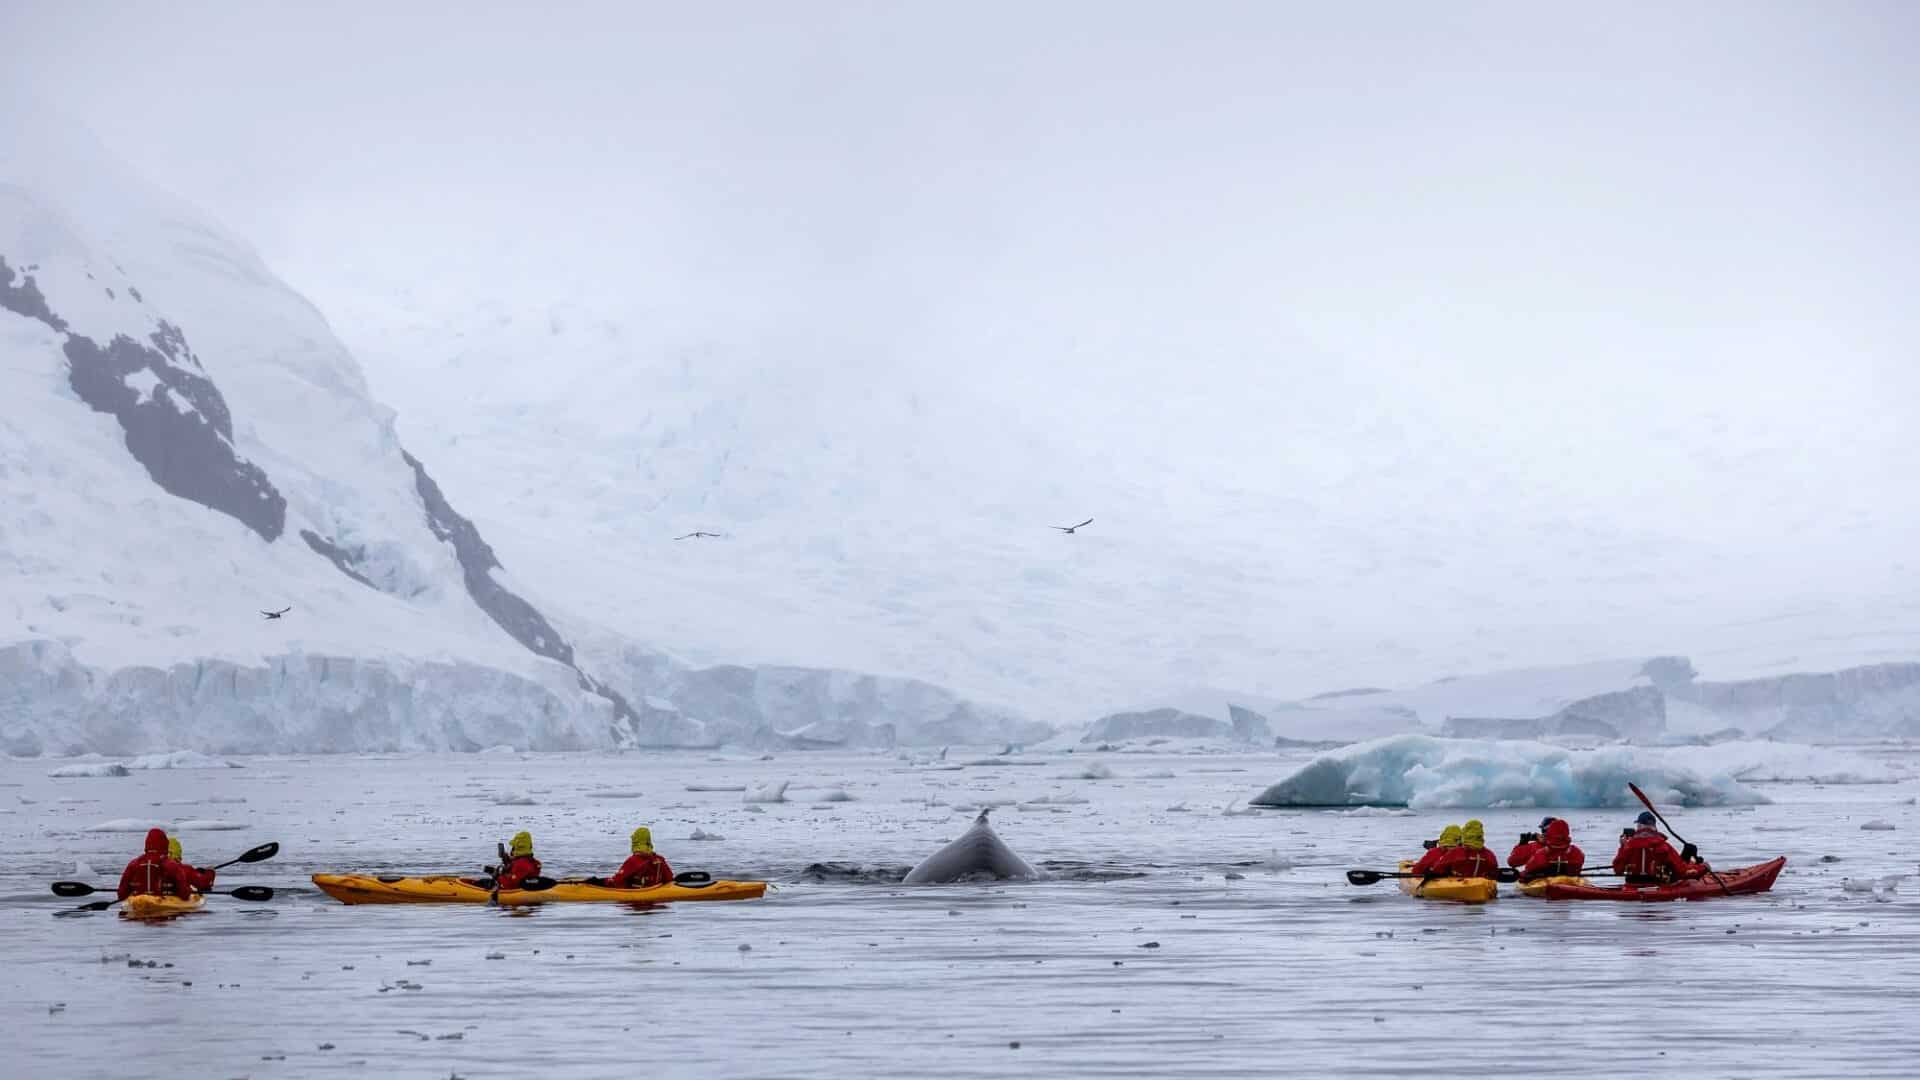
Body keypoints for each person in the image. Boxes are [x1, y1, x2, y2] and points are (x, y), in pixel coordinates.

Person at [1611, 811, 1703, 884]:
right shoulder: (1662, 845)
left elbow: (1618, 870)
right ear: (1654, 826)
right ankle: (1697, 863)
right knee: (1691, 851)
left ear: (1639, 826)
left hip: (1632, 883)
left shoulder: (1628, 846)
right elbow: (1681, 871)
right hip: (1658, 883)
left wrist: (1622, 846)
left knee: (1689, 851)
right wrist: (1702, 868)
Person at [117, 827, 197, 901]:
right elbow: (184, 894)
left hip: (139, 902)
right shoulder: (171, 865)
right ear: (165, 844)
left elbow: (121, 894)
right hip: (164, 902)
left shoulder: (133, 864)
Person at [606, 826, 674, 889]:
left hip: (636, 896)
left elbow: (617, 881)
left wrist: (602, 881)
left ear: (635, 842)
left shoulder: (633, 861)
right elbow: (669, 878)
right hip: (656, 893)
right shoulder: (659, 859)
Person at [1519, 818, 1585, 881]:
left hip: (1544, 880)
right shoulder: (1576, 852)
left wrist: (1522, 875)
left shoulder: (1541, 853)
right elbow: (1578, 868)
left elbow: (1528, 869)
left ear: (1549, 833)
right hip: (1569, 881)